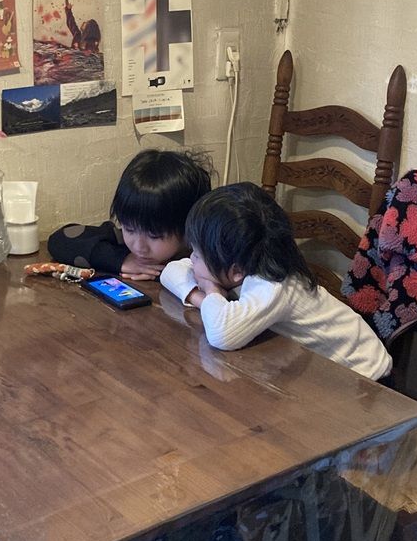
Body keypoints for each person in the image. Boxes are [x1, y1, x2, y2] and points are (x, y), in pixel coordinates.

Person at [160, 182, 391, 380]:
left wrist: (211, 289)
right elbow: (171, 271)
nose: (191, 258)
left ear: (237, 271)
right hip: (317, 368)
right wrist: (202, 299)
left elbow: (222, 334)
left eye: (197, 255)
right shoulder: (244, 261)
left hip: (367, 377)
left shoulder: (274, 284)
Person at [47, 148, 212, 280]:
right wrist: (121, 261)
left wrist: (165, 275)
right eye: (130, 229)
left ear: (188, 227)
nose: (139, 247)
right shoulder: (124, 244)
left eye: (154, 235)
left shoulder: (207, 257)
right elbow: (60, 241)